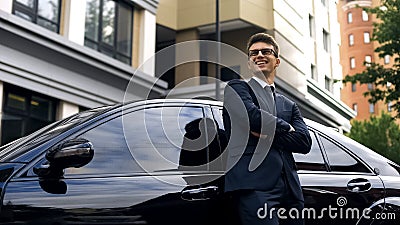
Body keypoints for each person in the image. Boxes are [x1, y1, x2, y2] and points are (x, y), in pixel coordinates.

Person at [222, 32, 312, 225]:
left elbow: (304, 142)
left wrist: (265, 136)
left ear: (277, 61)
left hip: (291, 190)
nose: (259, 55)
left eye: (266, 51)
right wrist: (286, 127)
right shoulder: (237, 89)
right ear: (249, 63)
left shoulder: (289, 105)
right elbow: (253, 117)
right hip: (255, 187)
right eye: (254, 53)